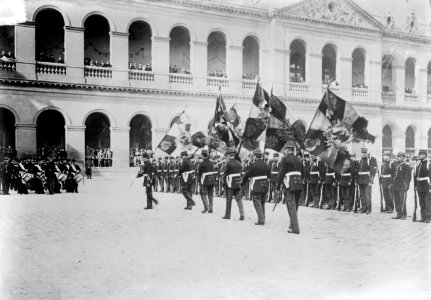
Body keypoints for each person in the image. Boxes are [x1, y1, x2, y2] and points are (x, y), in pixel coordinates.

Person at [277, 145, 303, 234]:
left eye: (285, 150)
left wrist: (277, 186)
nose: (284, 151)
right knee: (295, 206)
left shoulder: (284, 159)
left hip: (289, 185)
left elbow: (281, 174)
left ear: (288, 150)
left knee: (291, 207)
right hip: (298, 184)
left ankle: (295, 228)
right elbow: (304, 173)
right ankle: (291, 226)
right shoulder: (299, 159)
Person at [242, 150, 270, 225]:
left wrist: (242, 182)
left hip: (257, 185)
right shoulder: (266, 164)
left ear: (255, 156)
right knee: (262, 202)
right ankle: (263, 218)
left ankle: (261, 219)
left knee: (256, 201)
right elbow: (269, 175)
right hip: (265, 185)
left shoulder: (253, 164)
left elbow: (247, 174)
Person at [222, 149, 244, 220]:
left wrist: (223, 184)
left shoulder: (228, 163)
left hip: (230, 183)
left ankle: (227, 215)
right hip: (237, 182)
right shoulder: (239, 163)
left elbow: (225, 174)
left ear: (229, 155)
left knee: (229, 200)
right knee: (239, 199)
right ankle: (242, 215)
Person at [356, 148, 377, 214]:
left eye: (365, 153)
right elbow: (357, 171)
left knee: (367, 195)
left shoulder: (370, 160)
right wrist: (357, 181)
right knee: (362, 195)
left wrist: (371, 181)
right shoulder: (360, 160)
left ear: (367, 153)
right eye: (362, 153)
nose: (364, 154)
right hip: (360, 179)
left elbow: (373, 172)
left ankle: (368, 209)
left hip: (367, 180)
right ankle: (363, 208)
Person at [392, 152, 411, 220]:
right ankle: (398, 213)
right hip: (396, 184)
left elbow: (408, 177)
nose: (398, 158)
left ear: (403, 157)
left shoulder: (406, 165)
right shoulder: (396, 164)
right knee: (396, 200)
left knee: (402, 200)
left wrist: (407, 185)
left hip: (402, 184)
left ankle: (403, 214)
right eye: (398, 156)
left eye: (399, 156)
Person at [414, 149, 431, 223]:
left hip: (426, 184)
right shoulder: (419, 164)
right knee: (421, 202)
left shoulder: (428, 164)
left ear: (424, 155)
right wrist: (415, 185)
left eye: (420, 154)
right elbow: (416, 175)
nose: (419, 156)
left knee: (427, 202)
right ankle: (423, 217)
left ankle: (428, 218)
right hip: (419, 185)